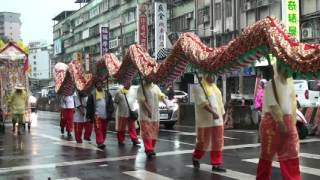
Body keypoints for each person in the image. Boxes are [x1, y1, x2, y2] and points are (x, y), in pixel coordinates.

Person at [256, 62, 301, 180]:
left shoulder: (290, 85)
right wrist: (280, 122)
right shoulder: (272, 84)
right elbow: (272, 105)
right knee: (267, 155)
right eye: (286, 68)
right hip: (272, 123)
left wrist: (292, 121)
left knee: (291, 153)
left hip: (288, 122)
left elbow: (292, 104)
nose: (288, 72)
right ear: (280, 69)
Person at [192, 74, 226, 172]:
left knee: (217, 142)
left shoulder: (215, 87)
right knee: (202, 142)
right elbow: (203, 103)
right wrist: (213, 112)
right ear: (206, 75)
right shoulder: (198, 87)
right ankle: (196, 157)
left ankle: (216, 164)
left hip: (217, 120)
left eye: (215, 74)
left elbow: (220, 103)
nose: (214, 77)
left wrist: (222, 115)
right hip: (204, 121)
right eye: (212, 74)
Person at [137, 80, 168, 158]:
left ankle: (152, 148)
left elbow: (161, 96)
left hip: (155, 114)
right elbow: (142, 101)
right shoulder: (141, 88)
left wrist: (167, 104)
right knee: (146, 132)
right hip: (145, 114)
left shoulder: (156, 87)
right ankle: (148, 149)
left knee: (154, 132)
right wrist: (149, 110)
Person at [86, 81, 114, 149]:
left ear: (103, 85)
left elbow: (111, 104)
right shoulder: (92, 94)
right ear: (96, 85)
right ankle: (100, 142)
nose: (99, 85)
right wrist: (89, 116)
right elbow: (89, 106)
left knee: (104, 130)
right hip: (96, 116)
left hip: (105, 115)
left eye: (100, 84)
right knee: (98, 129)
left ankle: (102, 141)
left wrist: (110, 113)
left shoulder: (107, 93)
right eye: (98, 84)